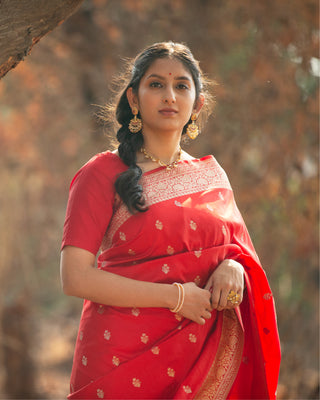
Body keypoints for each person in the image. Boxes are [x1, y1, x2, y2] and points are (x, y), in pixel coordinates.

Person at [60, 41, 281, 399]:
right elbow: (74, 277)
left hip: (200, 358)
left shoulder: (212, 176)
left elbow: (238, 252)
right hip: (119, 358)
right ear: (134, 99)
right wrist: (175, 297)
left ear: (198, 104)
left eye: (181, 86)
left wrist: (233, 267)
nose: (169, 96)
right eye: (156, 84)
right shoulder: (101, 173)